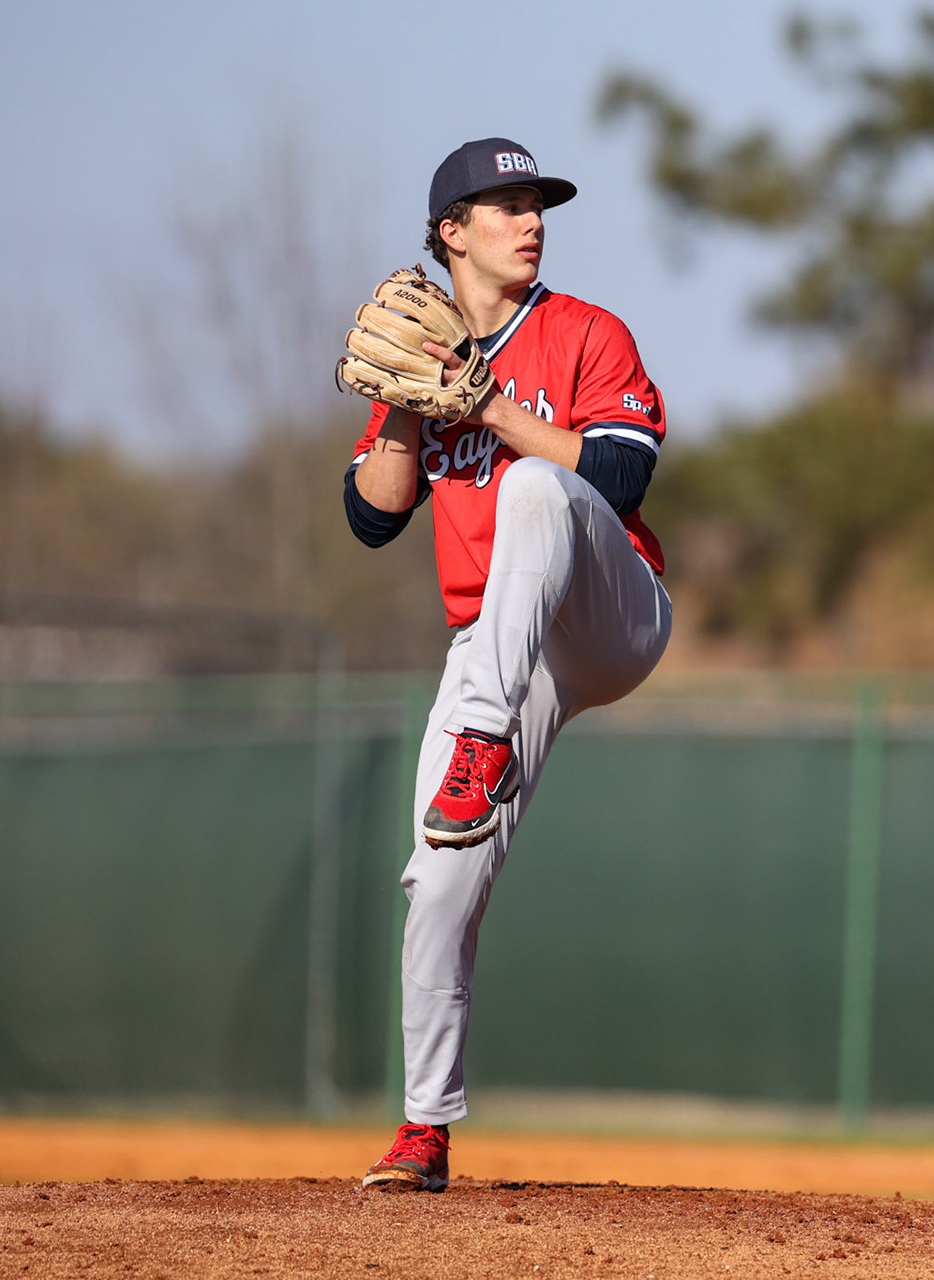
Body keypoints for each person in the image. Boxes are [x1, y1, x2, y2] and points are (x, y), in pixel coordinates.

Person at [342, 138, 672, 1192]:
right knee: (438, 874)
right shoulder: (423, 345)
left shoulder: (584, 331)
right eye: (507, 204)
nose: (531, 221)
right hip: (497, 638)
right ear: (452, 231)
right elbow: (372, 517)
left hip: (609, 610)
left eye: (538, 204)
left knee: (534, 484)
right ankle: (423, 1129)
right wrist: (410, 400)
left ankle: (480, 738)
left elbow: (620, 474)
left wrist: (488, 405)